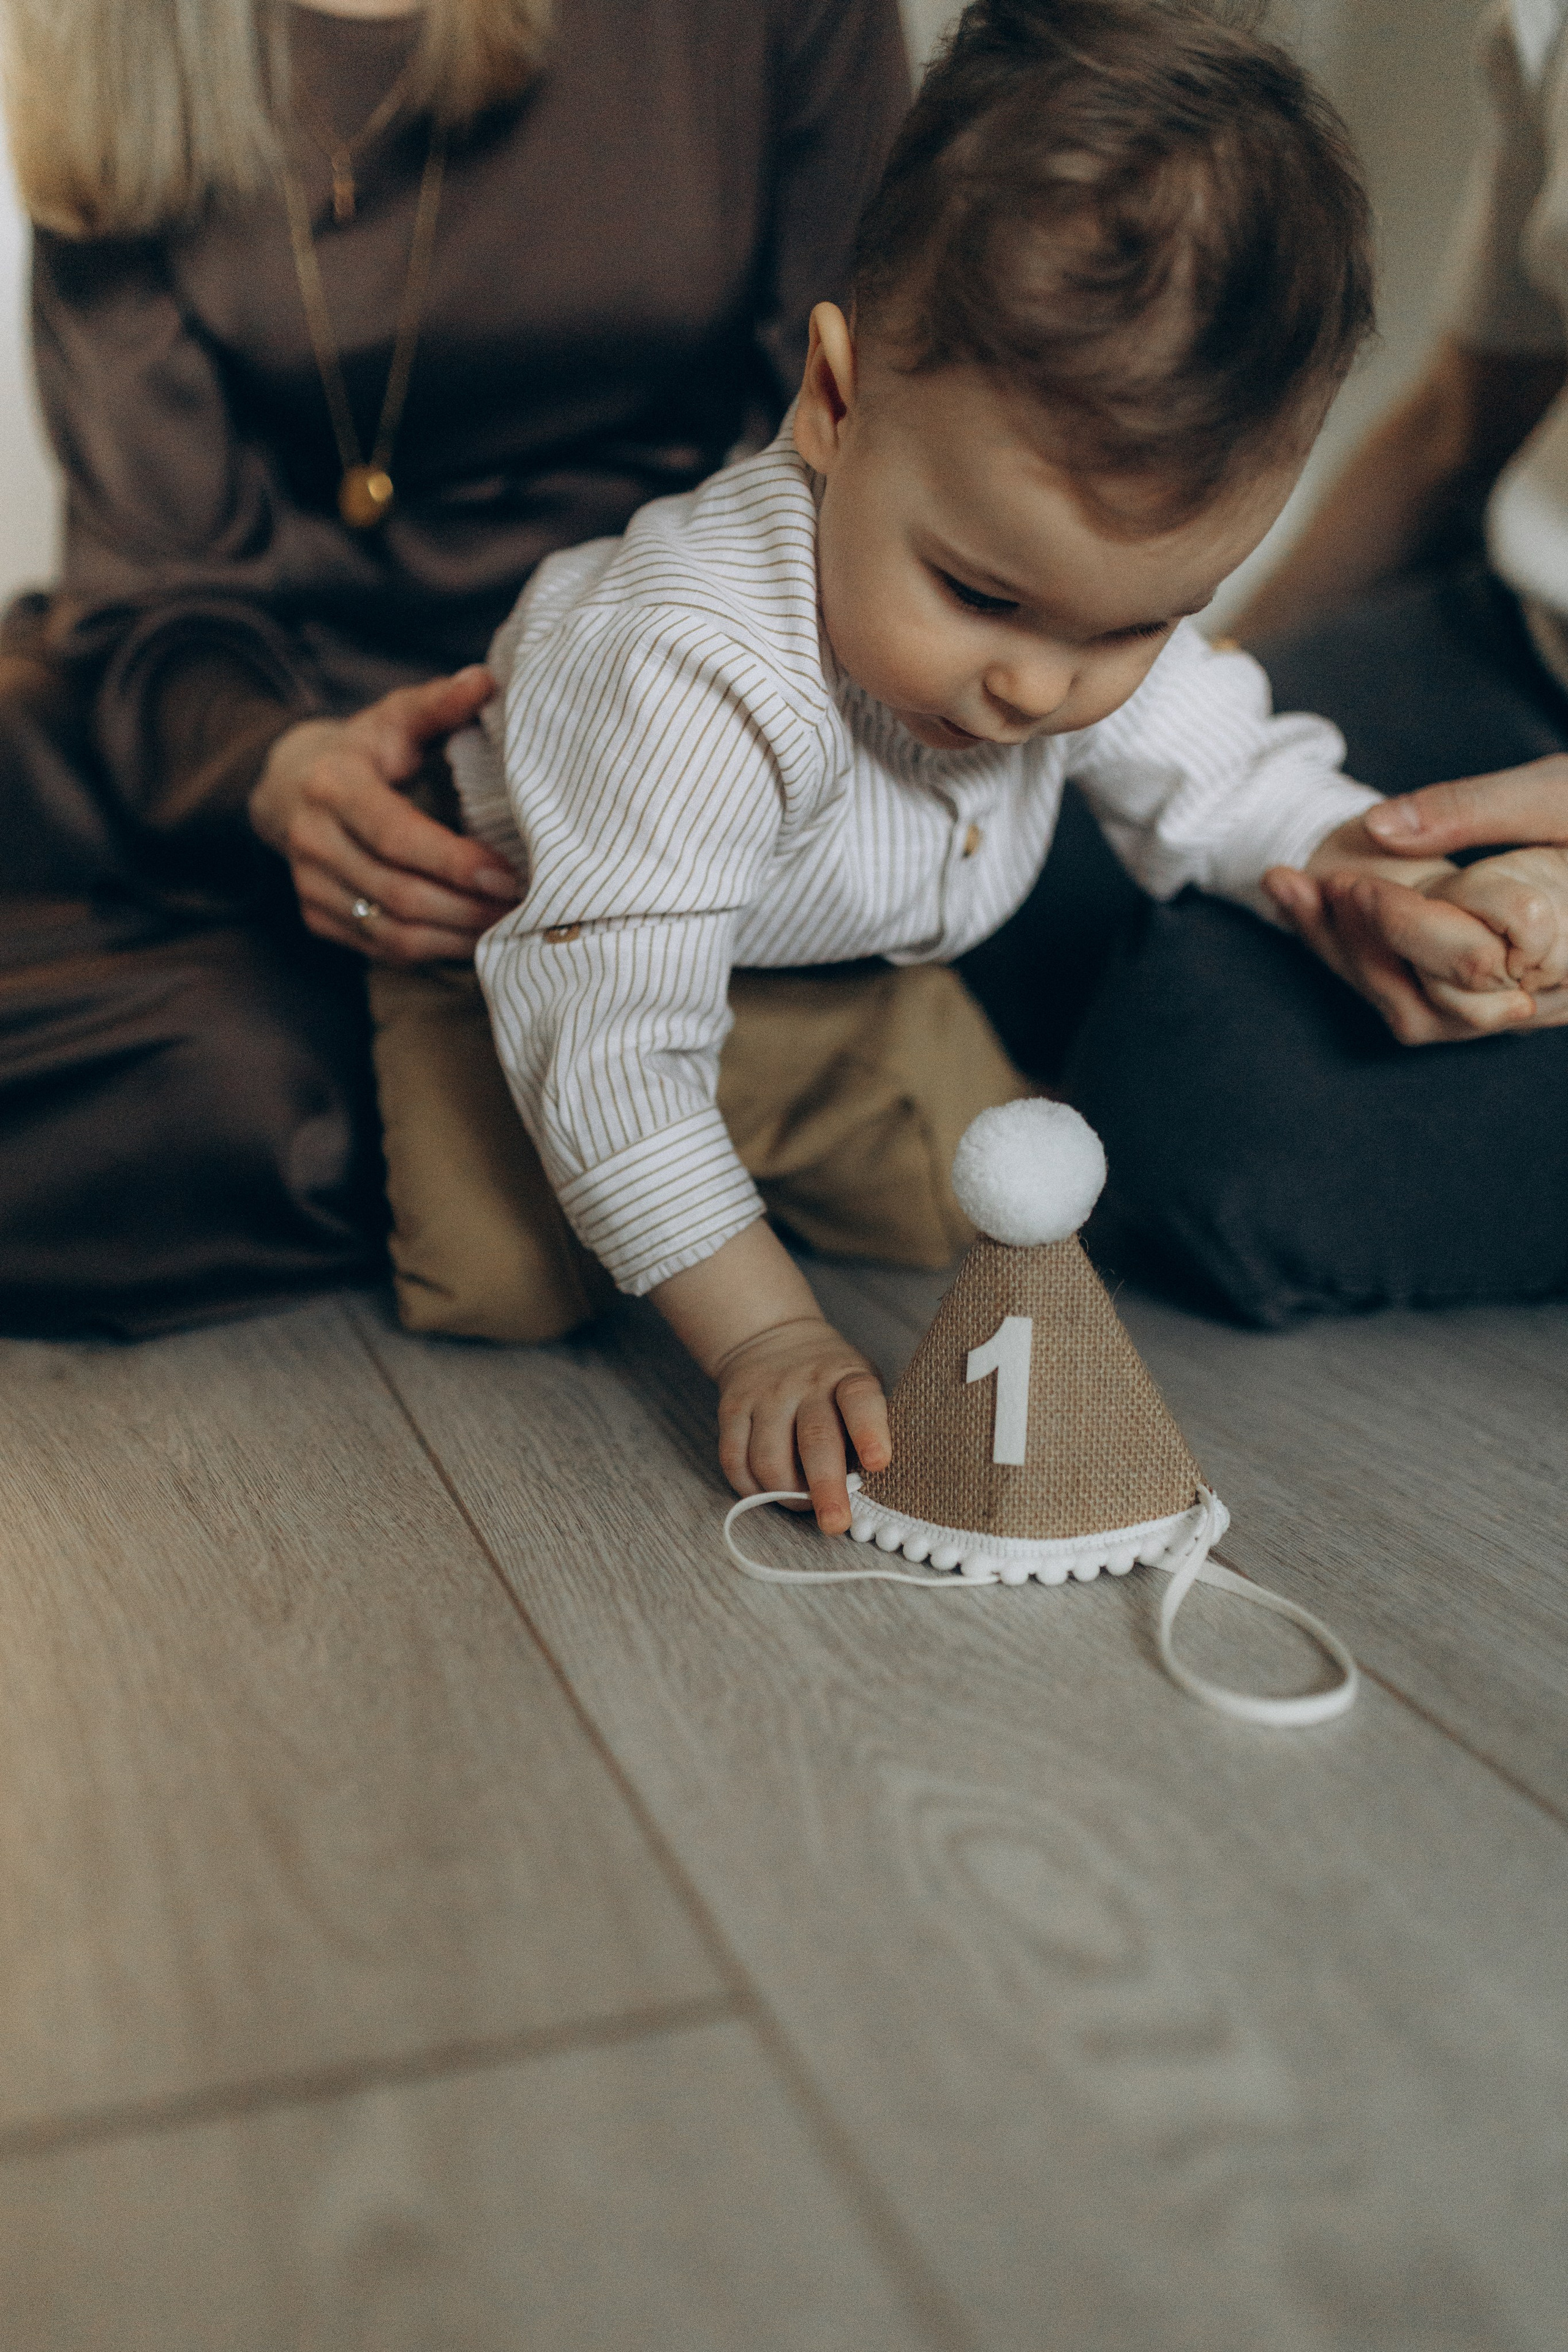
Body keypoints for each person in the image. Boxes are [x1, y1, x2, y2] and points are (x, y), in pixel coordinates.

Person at [457, 0, 1566, 1532]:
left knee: (953, 1202)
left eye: (1136, 624)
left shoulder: (1062, 615)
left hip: (835, 975)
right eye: (978, 595)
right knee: (511, 1266)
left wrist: (1367, 869)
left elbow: (1221, 768)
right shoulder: (685, 664)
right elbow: (608, 1039)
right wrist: (768, 1334)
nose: (1038, 686)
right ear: (834, 405)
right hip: (554, 957)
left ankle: (781, 1133)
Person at [0, 0, 910, 1336]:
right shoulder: (105, 33)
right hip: (249, 724)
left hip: (650, 722)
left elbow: (869, 464)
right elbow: (155, 592)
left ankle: (574, 1094)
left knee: (250, 1097)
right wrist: (282, 771)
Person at [1022, 0, 1568, 1326]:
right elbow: (1459, 415)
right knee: (1010, 834)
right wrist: (1174, 704)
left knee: (1213, 1116)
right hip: (1506, 636)